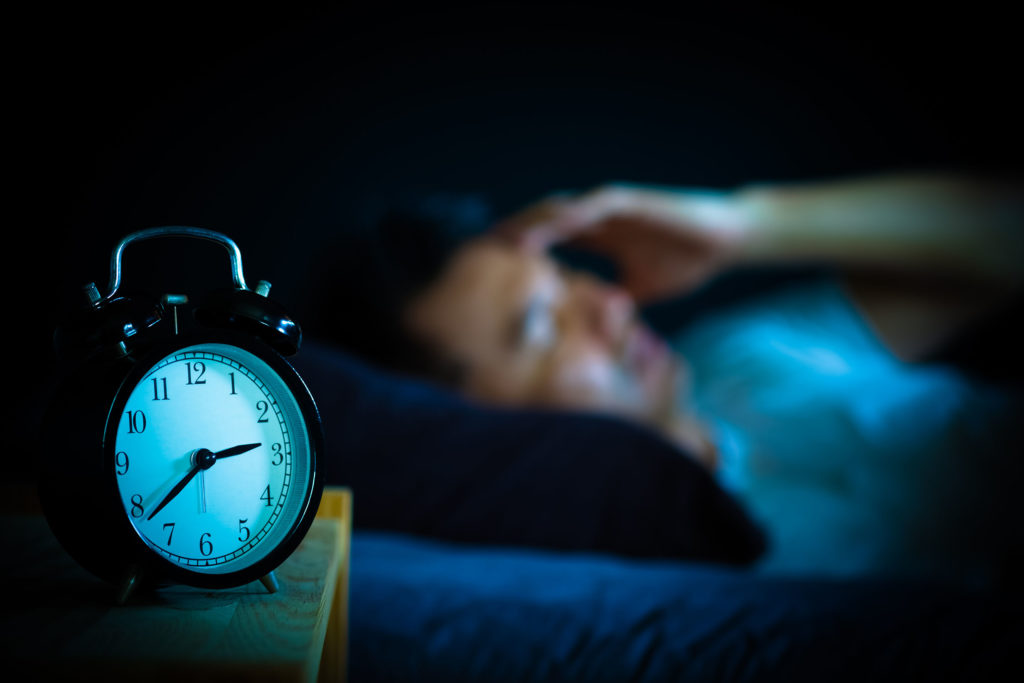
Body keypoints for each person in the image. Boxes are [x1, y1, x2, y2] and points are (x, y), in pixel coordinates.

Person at [348, 173, 1024, 586]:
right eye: (542, 329)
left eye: (571, 278)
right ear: (472, 426)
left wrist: (747, 227)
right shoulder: (675, 594)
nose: (613, 305)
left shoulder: (732, 353)